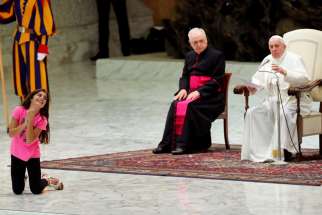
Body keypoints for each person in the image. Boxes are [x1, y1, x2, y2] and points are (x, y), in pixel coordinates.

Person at [153, 28, 226, 155]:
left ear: (206, 40)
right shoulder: (189, 56)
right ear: (190, 43)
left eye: (201, 41)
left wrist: (200, 92)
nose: (198, 45)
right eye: (195, 42)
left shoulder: (217, 56)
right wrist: (183, 88)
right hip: (191, 93)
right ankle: (166, 144)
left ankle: (184, 145)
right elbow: (185, 76)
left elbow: (217, 80)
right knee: (175, 104)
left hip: (211, 97)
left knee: (190, 106)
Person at [241, 35, 312, 162]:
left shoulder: (295, 59)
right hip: (274, 100)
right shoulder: (267, 60)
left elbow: (305, 79)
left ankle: (284, 151)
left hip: (294, 100)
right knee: (252, 113)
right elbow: (258, 80)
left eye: (276, 46)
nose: (274, 49)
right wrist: (252, 87)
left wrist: (285, 72)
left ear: (284, 47)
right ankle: (260, 149)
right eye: (271, 46)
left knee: (282, 113)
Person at [8, 89, 63, 194]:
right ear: (32, 97)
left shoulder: (42, 120)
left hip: (32, 155)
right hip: (17, 153)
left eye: (45, 98)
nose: (42, 98)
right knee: (17, 191)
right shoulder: (19, 110)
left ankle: (47, 179)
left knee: (36, 189)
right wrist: (25, 123)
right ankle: (21, 176)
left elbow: (29, 140)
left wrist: (31, 117)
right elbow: (11, 133)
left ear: (44, 104)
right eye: (39, 95)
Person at [0, 0, 55, 100]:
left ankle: (39, 113)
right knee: (21, 80)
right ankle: (25, 111)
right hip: (18, 40)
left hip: (33, 42)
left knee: (37, 81)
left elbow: (46, 22)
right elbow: (7, 14)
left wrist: (43, 46)